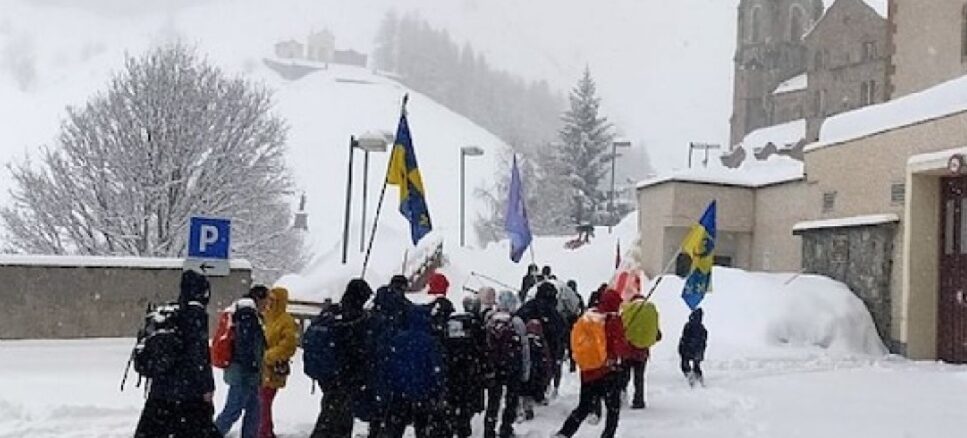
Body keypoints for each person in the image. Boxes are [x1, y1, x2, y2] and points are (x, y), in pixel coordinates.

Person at [134, 270, 219, 437]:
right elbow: (199, 356)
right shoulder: (196, 314)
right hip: (188, 394)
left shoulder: (171, 314)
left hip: (160, 392)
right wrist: (207, 387)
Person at [554, 289, 631, 438]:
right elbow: (620, 348)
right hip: (609, 371)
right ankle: (607, 435)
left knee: (584, 407)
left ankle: (564, 433)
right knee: (613, 409)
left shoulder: (589, 317)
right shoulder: (613, 320)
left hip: (588, 372)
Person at [309, 279, 373, 438]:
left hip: (326, 373)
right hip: (344, 374)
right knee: (335, 417)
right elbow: (358, 348)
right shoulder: (355, 317)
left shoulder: (332, 312)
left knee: (332, 412)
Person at [215, 285, 269, 438]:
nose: (267, 305)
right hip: (244, 374)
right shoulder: (247, 315)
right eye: (266, 300)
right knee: (233, 410)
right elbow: (246, 345)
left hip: (244, 373)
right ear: (258, 298)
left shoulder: (241, 312)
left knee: (254, 411)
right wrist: (251, 368)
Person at [366, 275, 416, 437]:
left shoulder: (377, 304)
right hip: (395, 360)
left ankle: (375, 430)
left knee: (377, 404)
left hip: (374, 360)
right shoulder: (403, 306)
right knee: (394, 408)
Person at [483, 291, 530, 438]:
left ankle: (489, 429)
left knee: (493, 399)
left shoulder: (489, 319)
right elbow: (524, 348)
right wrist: (525, 370)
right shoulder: (517, 322)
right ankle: (506, 427)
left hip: (494, 366)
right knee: (511, 399)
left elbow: (484, 345)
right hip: (512, 366)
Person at [259, 287, 299, 438]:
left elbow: (288, 346)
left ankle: (264, 431)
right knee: (263, 401)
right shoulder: (267, 317)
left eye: (273, 299)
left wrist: (269, 355)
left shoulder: (286, 321)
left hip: (274, 368)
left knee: (264, 400)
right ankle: (265, 430)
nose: (269, 302)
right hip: (263, 368)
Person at [517, 282, 565, 400]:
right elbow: (560, 330)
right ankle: (539, 393)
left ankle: (525, 394)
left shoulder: (528, 306)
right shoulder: (553, 311)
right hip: (547, 349)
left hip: (526, 347)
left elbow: (517, 320)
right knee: (542, 372)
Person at [619, 292, 661, 409]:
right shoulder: (650, 314)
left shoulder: (628, 311)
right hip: (642, 353)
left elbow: (621, 328)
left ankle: (621, 398)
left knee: (624, 377)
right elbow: (658, 335)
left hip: (627, 351)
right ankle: (639, 400)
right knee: (639, 378)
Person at [521, 319, 552, 421]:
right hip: (537, 375)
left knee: (525, 392)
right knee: (530, 393)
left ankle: (522, 410)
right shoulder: (541, 343)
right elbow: (546, 362)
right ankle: (528, 409)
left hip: (525, 373)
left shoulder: (523, 341)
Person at [679, 308, 708, 387]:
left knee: (685, 365)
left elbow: (684, 338)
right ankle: (700, 380)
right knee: (696, 366)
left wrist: (681, 349)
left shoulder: (688, 326)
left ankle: (691, 379)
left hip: (687, 350)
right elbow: (703, 342)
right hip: (697, 352)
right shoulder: (703, 329)